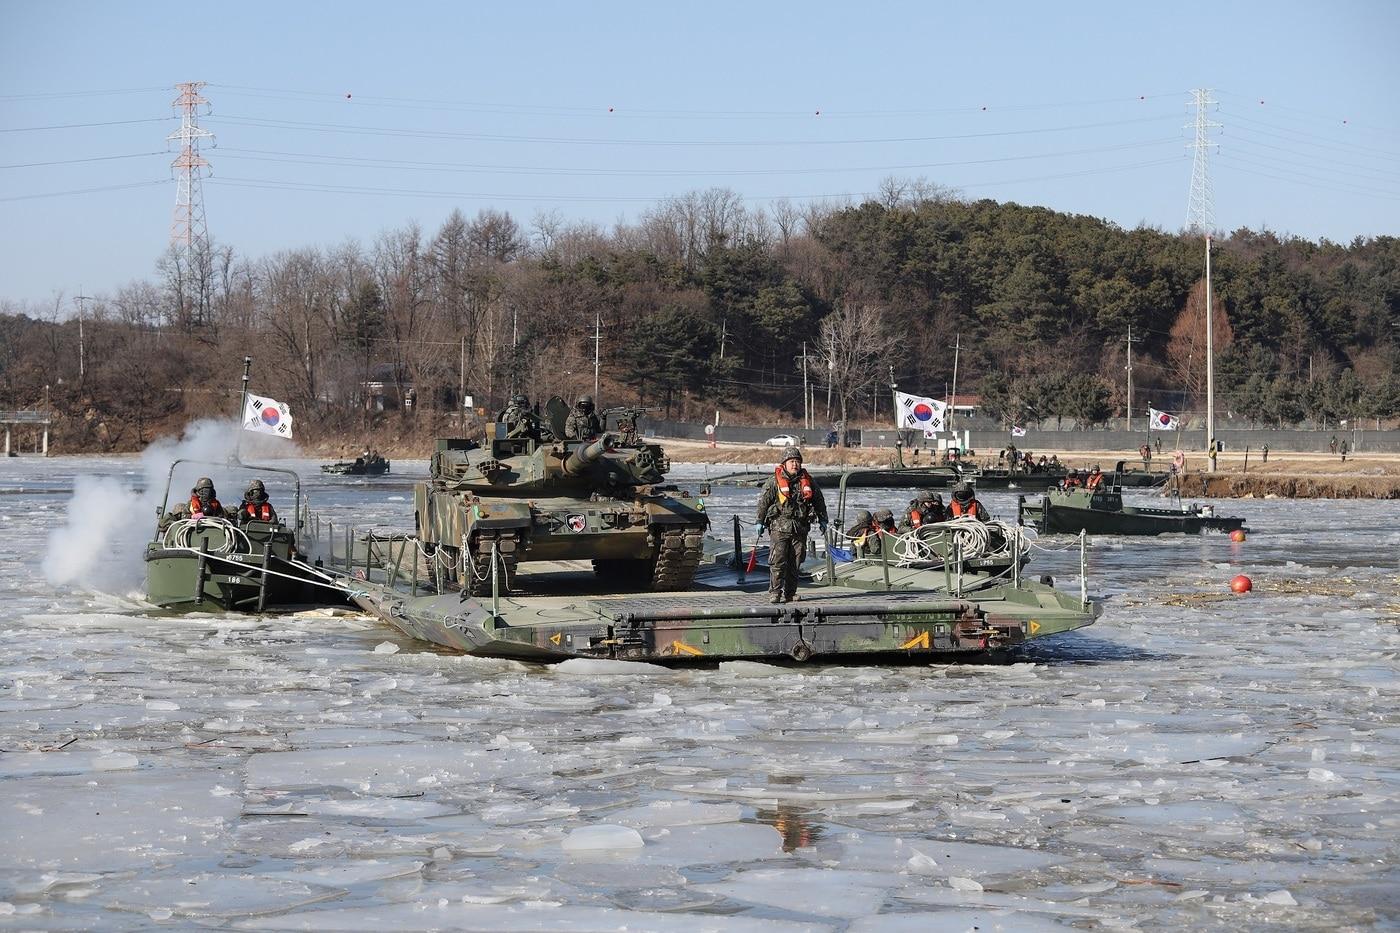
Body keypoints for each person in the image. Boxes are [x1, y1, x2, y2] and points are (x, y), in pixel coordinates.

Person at [755, 446, 828, 604]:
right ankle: (775, 592)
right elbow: (763, 502)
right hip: (779, 526)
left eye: (797, 461)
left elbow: (819, 501)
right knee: (778, 560)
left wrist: (823, 519)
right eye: (791, 461)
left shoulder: (808, 481)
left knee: (796, 561)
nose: (795, 464)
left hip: (799, 528)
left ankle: (790, 592)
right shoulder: (774, 481)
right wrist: (759, 521)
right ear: (785, 464)